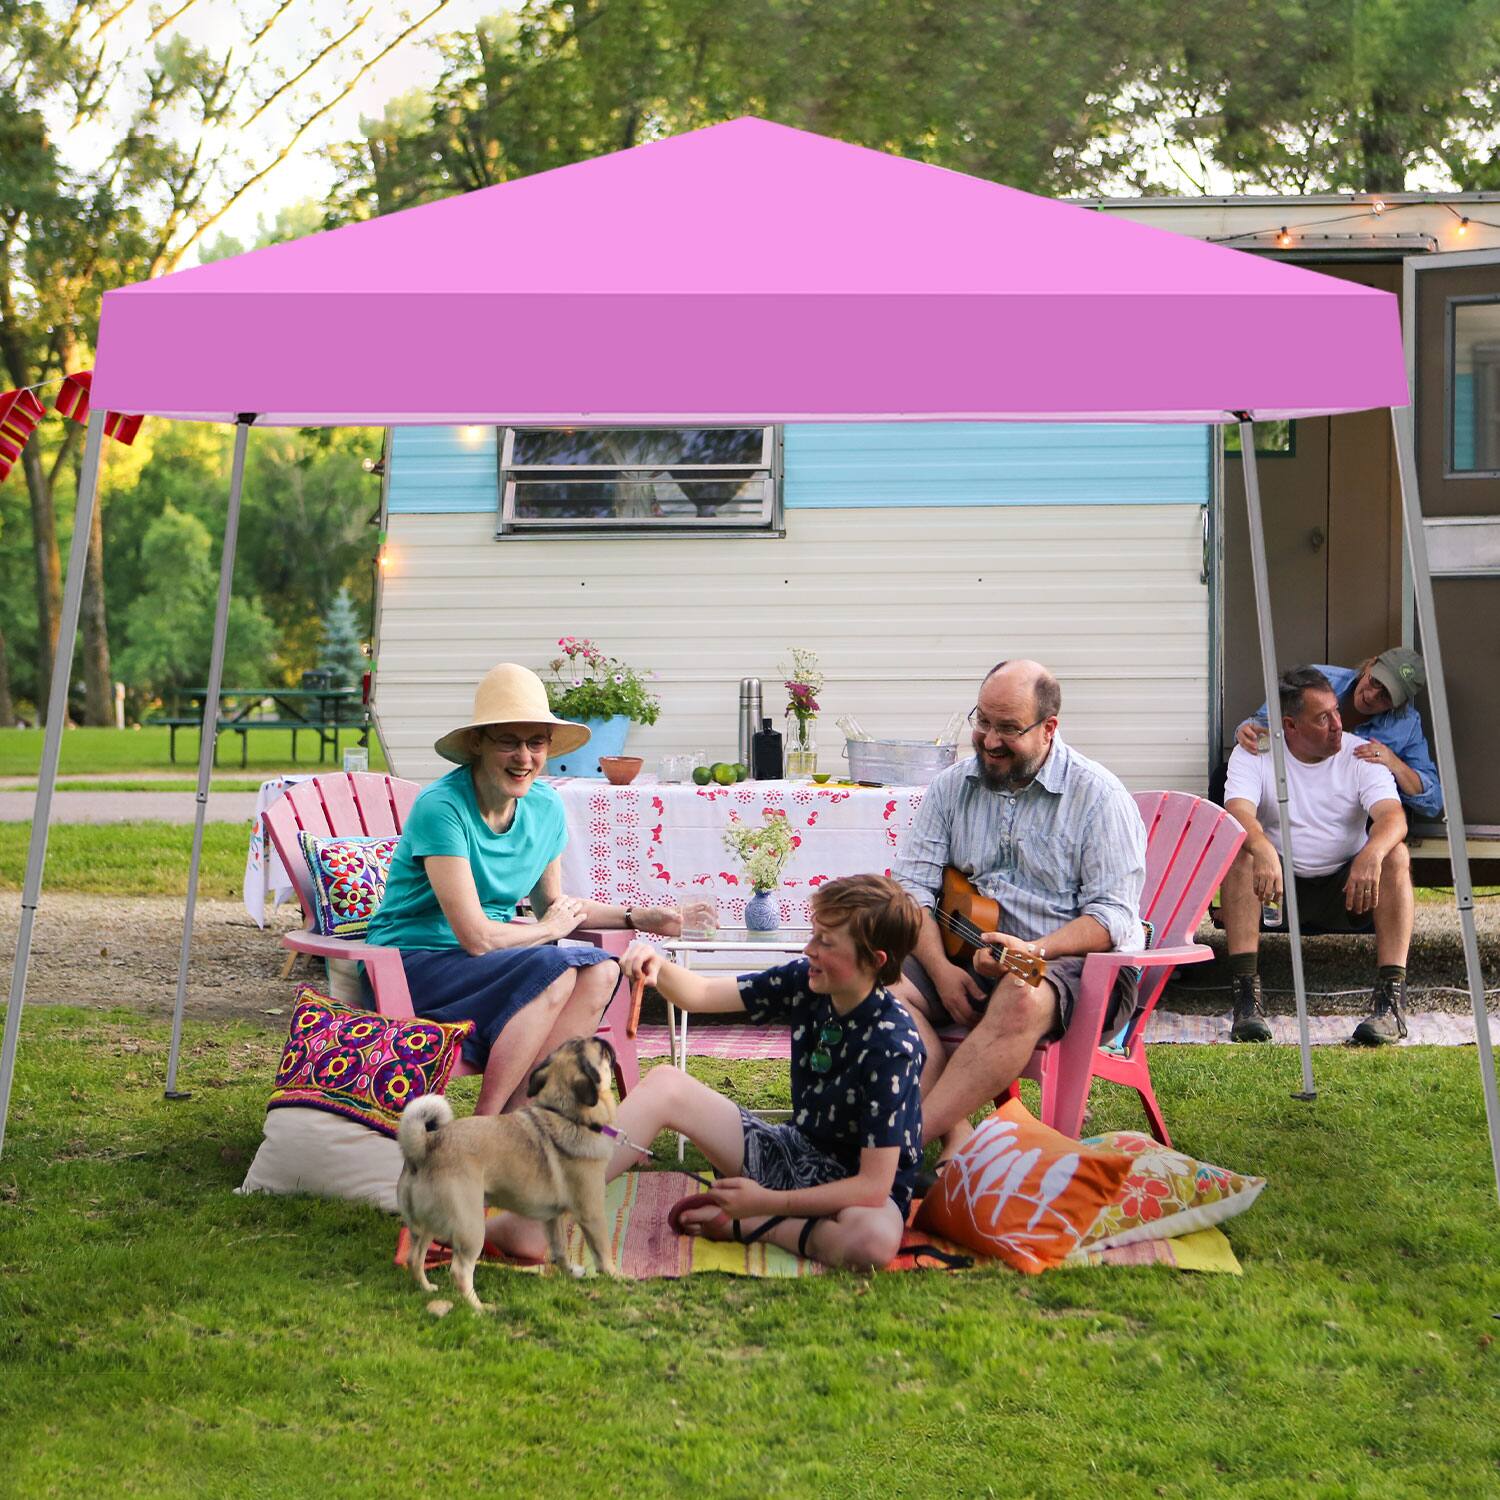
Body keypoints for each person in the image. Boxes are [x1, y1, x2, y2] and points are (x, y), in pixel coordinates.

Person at [365, 662, 682, 1119]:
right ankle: (484, 1126)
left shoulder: (545, 807)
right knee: (555, 969)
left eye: (536, 743)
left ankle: (519, 1121)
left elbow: (555, 908)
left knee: (603, 973)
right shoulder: (442, 808)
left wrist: (638, 917)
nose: (524, 757)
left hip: (490, 963)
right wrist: (546, 930)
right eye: (509, 741)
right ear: (478, 743)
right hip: (412, 964)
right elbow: (476, 936)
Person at [889, 659, 1146, 1147]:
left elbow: (1110, 917)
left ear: (1049, 729)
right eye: (982, 721)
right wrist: (942, 972)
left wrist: (1036, 952)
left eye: (1008, 728)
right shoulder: (951, 788)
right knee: (871, 976)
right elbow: (911, 891)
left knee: (1020, 995)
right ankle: (955, 1136)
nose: (988, 740)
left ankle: (908, 1141)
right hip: (965, 957)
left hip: (1075, 964)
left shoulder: (1099, 797)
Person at [610, 875, 925, 1270]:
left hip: (859, 1197)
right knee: (664, 1084)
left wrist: (764, 1204)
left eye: (825, 942)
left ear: (875, 960)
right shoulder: (804, 983)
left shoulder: (893, 1044)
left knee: (871, 1244)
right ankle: (551, 1203)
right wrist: (656, 965)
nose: (809, 949)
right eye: (813, 935)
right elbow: (702, 994)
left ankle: (755, 1226)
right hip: (793, 1154)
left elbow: (872, 1186)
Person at [1219, 665, 1411, 1046]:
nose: (1338, 724)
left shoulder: (1359, 754)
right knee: (1241, 851)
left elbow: (1393, 817)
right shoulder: (1256, 753)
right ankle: (1246, 1000)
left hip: (1348, 889)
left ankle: (1391, 1002)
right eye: (1323, 718)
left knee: (1396, 855)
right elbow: (1237, 812)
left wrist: (1372, 851)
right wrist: (1261, 847)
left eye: (1336, 712)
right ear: (1290, 726)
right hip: (1274, 890)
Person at [1230, 647, 1440, 818]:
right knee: (1224, 775)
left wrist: (1394, 763)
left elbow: (1432, 802)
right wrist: (1246, 731)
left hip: (1348, 805)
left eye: (1386, 696)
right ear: (1370, 665)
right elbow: (1263, 722)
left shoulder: (1407, 724)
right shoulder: (1318, 680)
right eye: (1376, 681)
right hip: (1294, 784)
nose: (1372, 695)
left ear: (1398, 704)